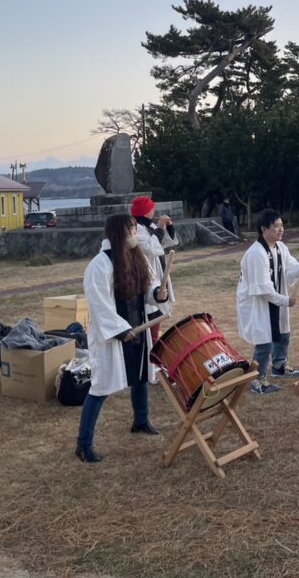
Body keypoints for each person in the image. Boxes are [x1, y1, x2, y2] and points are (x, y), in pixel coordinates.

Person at [77, 214, 167, 463]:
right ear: (118, 233)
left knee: (141, 376)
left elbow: (147, 288)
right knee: (100, 388)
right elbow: (99, 305)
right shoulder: (99, 265)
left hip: (139, 328)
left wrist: (156, 294)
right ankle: (83, 444)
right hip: (113, 336)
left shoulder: (137, 257)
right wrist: (121, 330)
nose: (136, 234)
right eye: (131, 230)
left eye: (136, 229)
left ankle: (141, 421)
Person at [236, 209, 299, 394]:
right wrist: (284, 300)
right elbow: (263, 289)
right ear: (264, 229)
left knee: (283, 332)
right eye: (276, 226)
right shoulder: (256, 253)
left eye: (282, 225)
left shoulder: (279, 247)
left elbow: (290, 265)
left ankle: (279, 365)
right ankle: (257, 380)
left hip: (275, 297)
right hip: (258, 301)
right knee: (264, 341)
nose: (281, 229)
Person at [131, 196, 178, 382]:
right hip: (148, 279)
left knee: (157, 320)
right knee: (151, 324)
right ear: (144, 211)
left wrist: (168, 227)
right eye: (151, 208)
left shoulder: (149, 226)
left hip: (159, 276)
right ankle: (153, 368)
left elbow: (164, 243)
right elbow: (150, 248)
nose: (153, 211)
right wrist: (159, 228)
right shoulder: (137, 229)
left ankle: (156, 366)